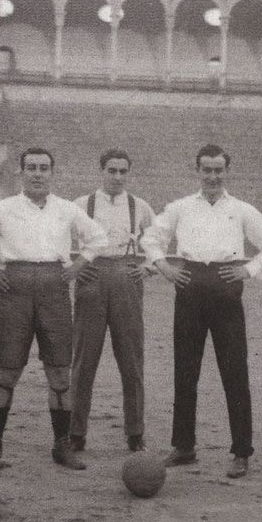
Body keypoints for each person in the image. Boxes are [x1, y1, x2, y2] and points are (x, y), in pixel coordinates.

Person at [141, 144, 262, 479]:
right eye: (206, 170)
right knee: (185, 370)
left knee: (234, 372)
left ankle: (241, 451)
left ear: (227, 172)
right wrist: (163, 266)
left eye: (218, 170)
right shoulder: (180, 207)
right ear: (197, 171)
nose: (212, 176)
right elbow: (151, 237)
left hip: (225, 282)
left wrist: (249, 270)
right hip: (189, 281)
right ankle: (184, 445)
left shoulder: (242, 209)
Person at [0, 147, 108, 471]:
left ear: (52, 173)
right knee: (7, 371)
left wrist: (77, 265)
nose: (38, 173)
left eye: (44, 168)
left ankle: (61, 445)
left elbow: (98, 238)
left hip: (54, 289)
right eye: (32, 168)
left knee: (59, 372)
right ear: (21, 172)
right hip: (14, 289)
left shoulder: (67, 209)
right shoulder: (3, 208)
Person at [69, 149, 156, 453]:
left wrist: (147, 267)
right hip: (91, 280)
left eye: (123, 171)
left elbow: (158, 240)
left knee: (132, 359)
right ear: (101, 171)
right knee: (84, 359)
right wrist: (74, 268)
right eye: (111, 170)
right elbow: (54, 235)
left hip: (126, 279)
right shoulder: (81, 204)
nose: (117, 177)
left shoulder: (140, 206)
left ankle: (135, 433)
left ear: (128, 173)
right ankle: (76, 432)